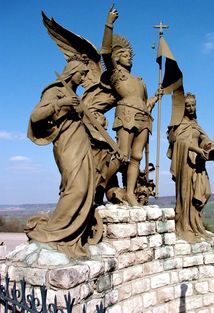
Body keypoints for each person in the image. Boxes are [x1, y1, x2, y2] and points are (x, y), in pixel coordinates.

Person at [25, 60, 101, 259]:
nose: (84, 78)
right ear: (72, 72)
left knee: (86, 188)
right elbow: (36, 116)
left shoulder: (76, 95)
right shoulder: (56, 90)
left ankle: (71, 237)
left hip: (81, 142)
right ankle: (54, 232)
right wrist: (61, 104)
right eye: (82, 74)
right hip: (66, 144)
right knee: (77, 188)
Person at [101, 7, 161, 206]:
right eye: (125, 54)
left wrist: (155, 98)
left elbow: (145, 103)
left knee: (136, 158)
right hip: (125, 115)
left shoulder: (139, 80)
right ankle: (98, 182)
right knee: (121, 155)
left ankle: (130, 193)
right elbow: (105, 51)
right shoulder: (116, 74)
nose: (130, 57)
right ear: (117, 58)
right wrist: (109, 23)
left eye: (130, 55)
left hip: (143, 118)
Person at [167, 92, 214, 243]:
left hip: (198, 165)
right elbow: (178, 144)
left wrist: (210, 145)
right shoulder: (178, 126)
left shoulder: (196, 124)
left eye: (193, 105)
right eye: (187, 106)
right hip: (184, 164)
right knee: (185, 195)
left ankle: (196, 222)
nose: (190, 108)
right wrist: (195, 149)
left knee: (206, 192)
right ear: (182, 108)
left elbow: (204, 138)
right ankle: (185, 226)